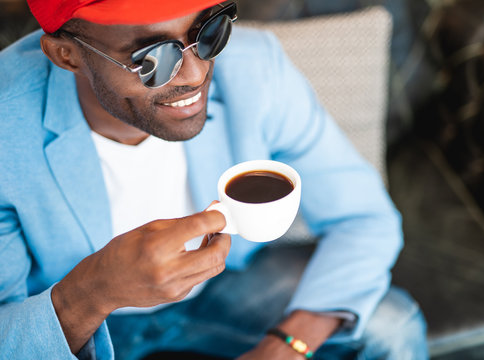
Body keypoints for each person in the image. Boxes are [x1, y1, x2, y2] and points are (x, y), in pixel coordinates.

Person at [0, 0, 428, 359]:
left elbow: (364, 217)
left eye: (209, 32)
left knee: (393, 325)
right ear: (66, 56)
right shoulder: (7, 124)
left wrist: (288, 344)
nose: (194, 74)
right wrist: (95, 291)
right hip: (84, 326)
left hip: (224, 288)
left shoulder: (257, 69)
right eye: (152, 58)